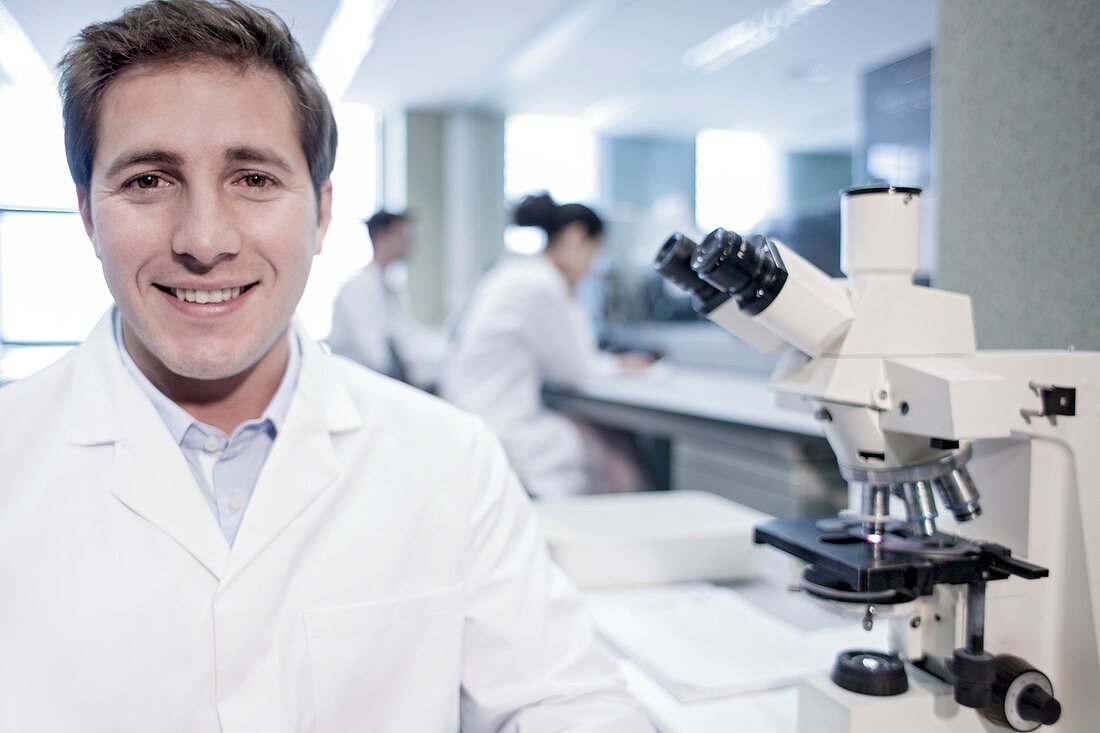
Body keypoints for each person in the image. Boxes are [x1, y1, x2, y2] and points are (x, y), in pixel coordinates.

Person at [0, 2, 653, 730]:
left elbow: (565, 699)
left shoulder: (451, 458)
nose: (204, 239)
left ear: (320, 215)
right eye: (149, 180)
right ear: (89, 215)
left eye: (253, 178)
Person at [441, 193, 653, 498]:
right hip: (503, 426)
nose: (591, 269)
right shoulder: (541, 284)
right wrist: (620, 364)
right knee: (618, 456)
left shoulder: (514, 272)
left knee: (598, 442)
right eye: (594, 254)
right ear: (575, 238)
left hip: (476, 418)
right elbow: (575, 370)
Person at [327, 210, 414, 381]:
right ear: (382, 235)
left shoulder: (388, 287)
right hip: (356, 384)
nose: (409, 240)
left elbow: (404, 338)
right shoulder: (358, 288)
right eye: (402, 234)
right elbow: (374, 356)